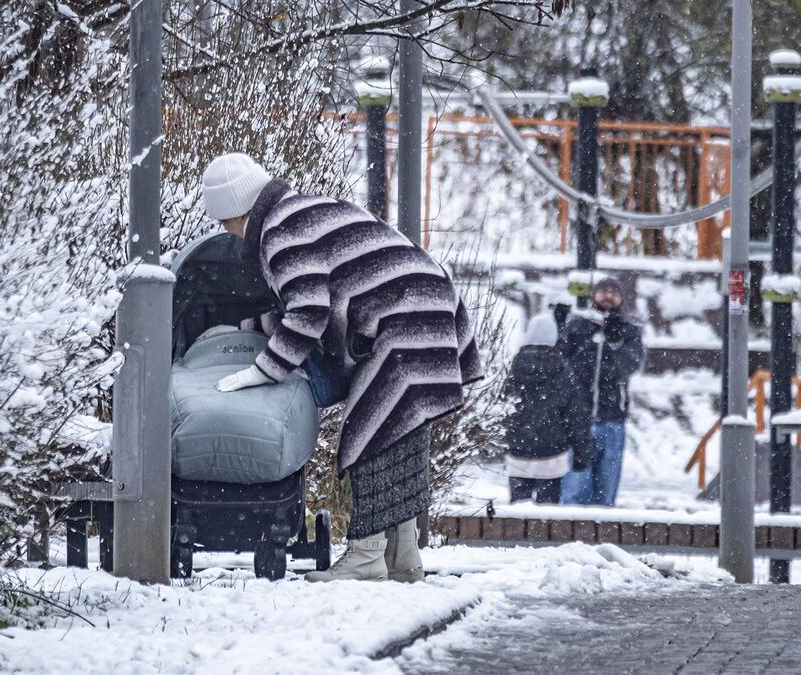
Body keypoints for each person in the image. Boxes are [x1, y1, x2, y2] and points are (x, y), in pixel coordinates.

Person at [200, 152, 483, 582]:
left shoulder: (281, 232)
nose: (230, 234)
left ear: (234, 211)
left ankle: (367, 558)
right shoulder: (301, 213)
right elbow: (317, 301)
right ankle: (402, 556)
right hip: (427, 307)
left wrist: (264, 369)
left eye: (225, 223)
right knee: (397, 432)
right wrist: (245, 328)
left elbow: (309, 312)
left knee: (368, 432)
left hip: (406, 319)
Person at [559, 277, 644, 506]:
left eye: (613, 292)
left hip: (612, 418)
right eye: (603, 291)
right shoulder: (579, 326)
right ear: (593, 296)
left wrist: (614, 344)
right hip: (580, 419)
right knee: (575, 487)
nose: (608, 296)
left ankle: (603, 533)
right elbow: (563, 361)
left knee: (606, 489)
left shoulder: (629, 331)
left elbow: (631, 364)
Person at [503, 315, 592, 504]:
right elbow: (576, 416)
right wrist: (581, 454)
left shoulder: (516, 367)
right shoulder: (563, 370)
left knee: (518, 513)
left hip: (519, 449)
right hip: (552, 453)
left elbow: (503, 407)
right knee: (547, 515)